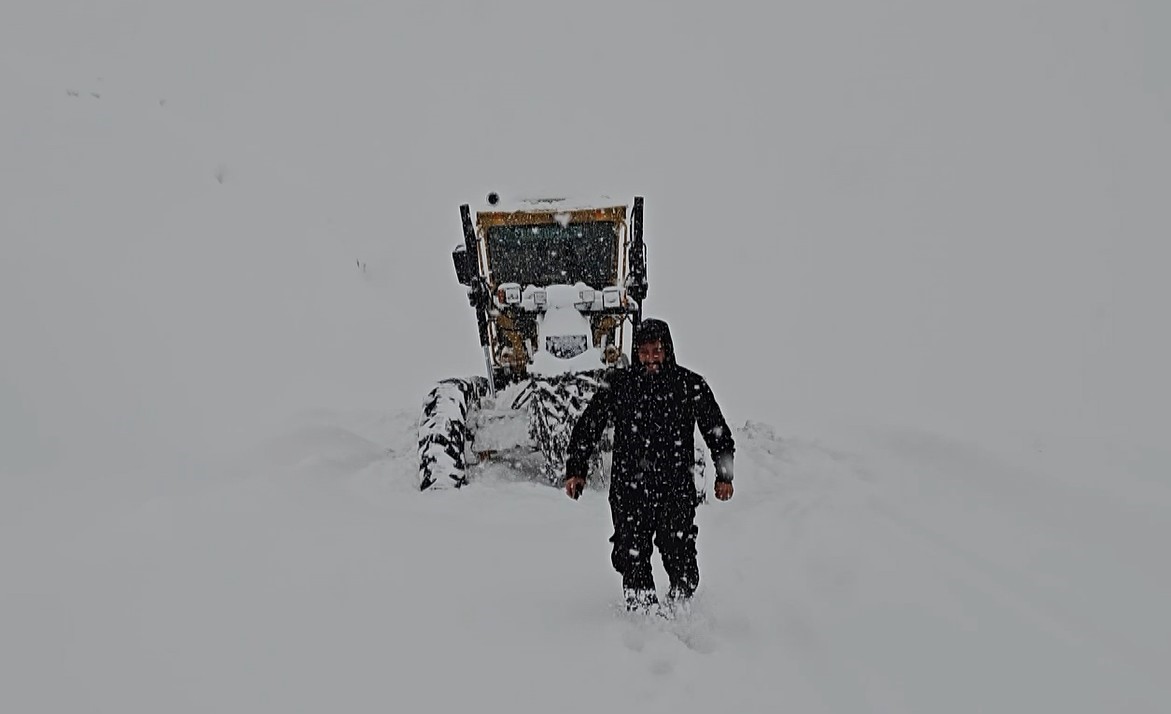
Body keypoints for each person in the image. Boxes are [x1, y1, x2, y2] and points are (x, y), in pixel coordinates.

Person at [564, 318, 735, 614]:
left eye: (657, 351)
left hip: (675, 488)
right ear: (636, 352)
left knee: (678, 549)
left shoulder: (689, 384)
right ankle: (643, 615)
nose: (651, 359)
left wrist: (724, 475)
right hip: (630, 488)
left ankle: (683, 606)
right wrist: (576, 469)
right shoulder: (620, 385)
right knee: (630, 552)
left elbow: (716, 430)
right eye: (644, 352)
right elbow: (589, 426)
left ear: (667, 350)